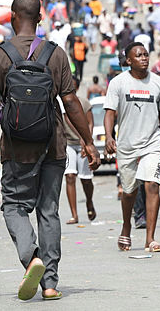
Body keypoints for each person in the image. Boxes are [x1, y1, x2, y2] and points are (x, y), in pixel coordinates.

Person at [0, 0, 100, 301]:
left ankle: (32, 257)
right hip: (54, 144)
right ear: (40, 19)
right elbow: (70, 101)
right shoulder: (56, 53)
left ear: (13, 17)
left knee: (15, 206)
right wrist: (88, 141)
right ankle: (51, 283)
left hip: (17, 148)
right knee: (48, 211)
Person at [104, 41, 160, 253]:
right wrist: (108, 136)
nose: (144, 58)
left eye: (146, 55)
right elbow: (110, 112)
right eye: (139, 55)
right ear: (129, 60)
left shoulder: (159, 84)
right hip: (127, 144)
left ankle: (150, 238)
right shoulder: (118, 83)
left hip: (152, 142)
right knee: (130, 191)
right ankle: (126, 226)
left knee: (152, 184)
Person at [64, 77, 96, 224]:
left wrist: (87, 140)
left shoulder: (84, 102)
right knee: (70, 176)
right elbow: (69, 121)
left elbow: (90, 122)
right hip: (69, 143)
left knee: (85, 179)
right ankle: (74, 214)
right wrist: (81, 136)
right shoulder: (63, 103)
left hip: (84, 144)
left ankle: (89, 201)